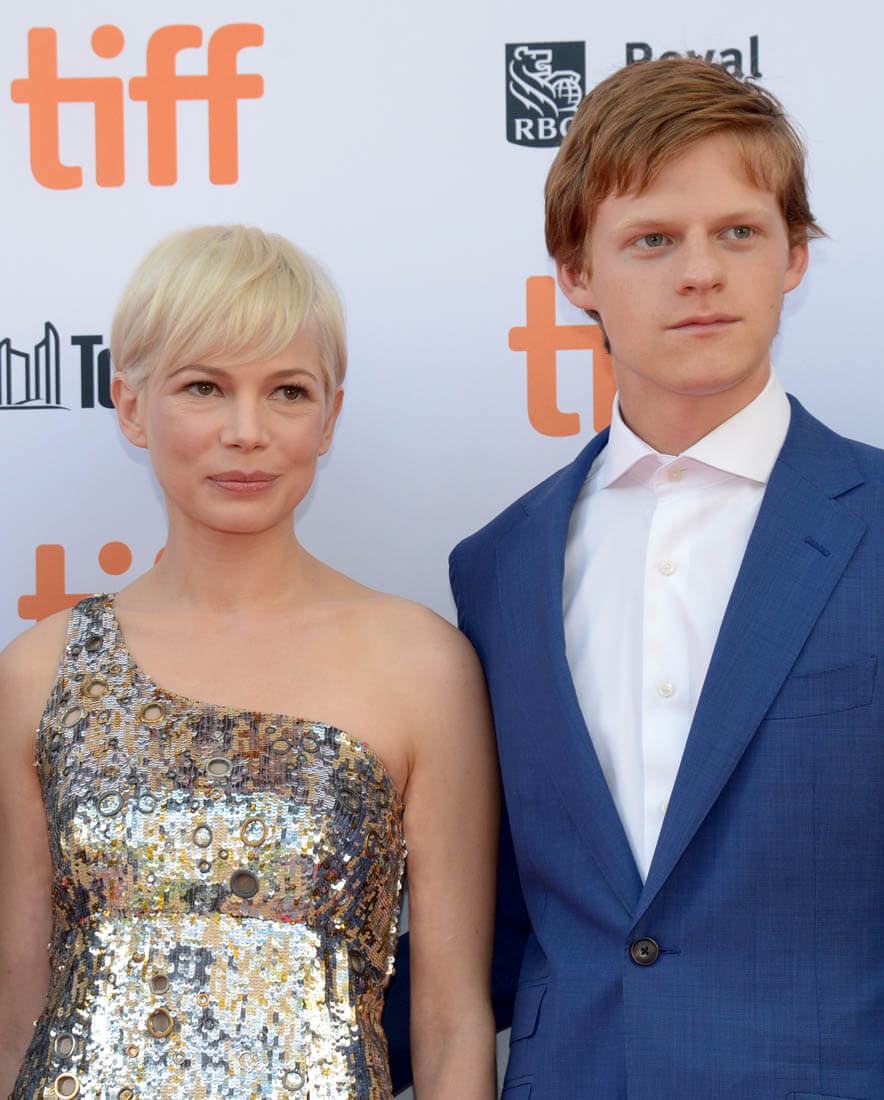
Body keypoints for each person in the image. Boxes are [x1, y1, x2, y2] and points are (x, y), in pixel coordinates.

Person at [449, 58, 884, 1097]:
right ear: (576, 274)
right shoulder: (498, 566)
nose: (700, 272)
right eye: (651, 239)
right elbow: (493, 918)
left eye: (737, 232)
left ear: (793, 255)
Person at [0, 225, 498, 1100]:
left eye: (287, 392)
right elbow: (15, 1019)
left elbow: (454, 1028)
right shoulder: (38, 672)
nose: (246, 432)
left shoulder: (422, 665)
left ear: (329, 417)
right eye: (205, 387)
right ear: (131, 407)